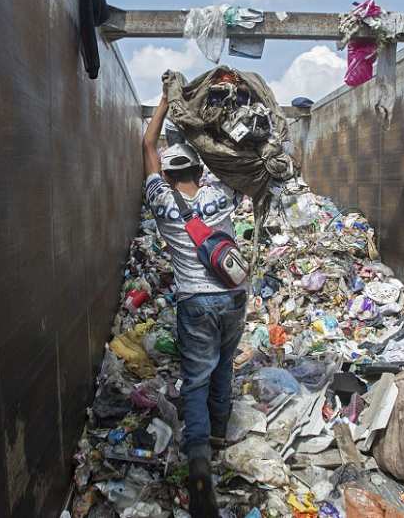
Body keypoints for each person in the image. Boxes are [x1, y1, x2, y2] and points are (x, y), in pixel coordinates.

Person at [142, 86, 247, 518]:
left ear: (167, 175)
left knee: (197, 380)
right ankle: (220, 433)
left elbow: (147, 143)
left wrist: (166, 102)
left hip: (196, 303)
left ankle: (200, 457)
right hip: (234, 296)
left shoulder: (161, 199)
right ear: (199, 170)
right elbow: (234, 154)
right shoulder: (220, 192)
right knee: (224, 365)